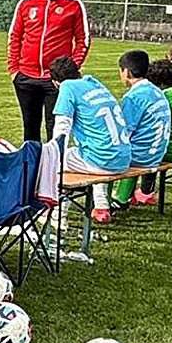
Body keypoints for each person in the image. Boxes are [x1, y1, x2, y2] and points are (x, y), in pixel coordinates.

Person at [7, 0, 92, 143]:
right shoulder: (26, 4)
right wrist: (14, 70)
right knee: (30, 127)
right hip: (26, 77)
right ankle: (32, 168)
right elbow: (15, 37)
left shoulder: (74, 5)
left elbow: (83, 40)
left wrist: (69, 70)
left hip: (56, 80)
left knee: (55, 128)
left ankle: (54, 169)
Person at [49, 55, 128, 224]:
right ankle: (101, 205)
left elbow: (62, 127)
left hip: (101, 160)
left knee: (54, 163)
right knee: (87, 153)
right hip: (123, 157)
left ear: (55, 82)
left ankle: (57, 216)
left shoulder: (67, 87)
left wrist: (53, 152)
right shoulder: (94, 83)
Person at [107, 50, 172, 210]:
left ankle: (105, 202)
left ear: (126, 72)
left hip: (142, 156)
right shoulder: (156, 91)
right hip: (157, 152)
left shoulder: (133, 97)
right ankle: (123, 196)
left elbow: (124, 133)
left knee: (104, 154)